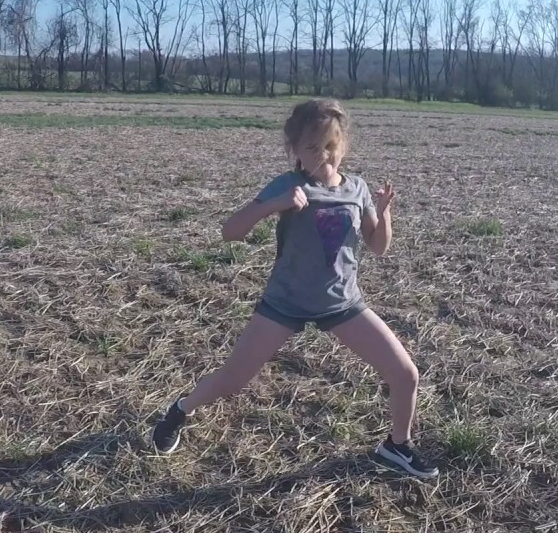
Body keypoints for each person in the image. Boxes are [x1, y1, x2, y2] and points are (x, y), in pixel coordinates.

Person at [150, 98, 439, 478]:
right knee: (233, 380)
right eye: (313, 147)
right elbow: (230, 231)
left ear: (344, 146)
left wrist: (383, 214)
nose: (324, 156)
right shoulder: (288, 185)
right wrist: (275, 205)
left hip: (342, 303)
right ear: (294, 150)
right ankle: (181, 409)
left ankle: (396, 446)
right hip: (284, 302)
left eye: (332, 146)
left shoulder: (357, 188)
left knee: (406, 374)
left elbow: (379, 246)